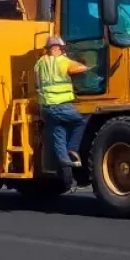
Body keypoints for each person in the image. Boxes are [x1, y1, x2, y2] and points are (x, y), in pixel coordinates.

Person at [35, 36, 88, 191]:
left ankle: (67, 176)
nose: (63, 51)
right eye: (62, 48)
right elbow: (82, 68)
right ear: (56, 48)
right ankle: (72, 148)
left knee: (59, 135)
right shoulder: (62, 62)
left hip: (46, 107)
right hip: (61, 105)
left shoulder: (39, 64)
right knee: (81, 121)